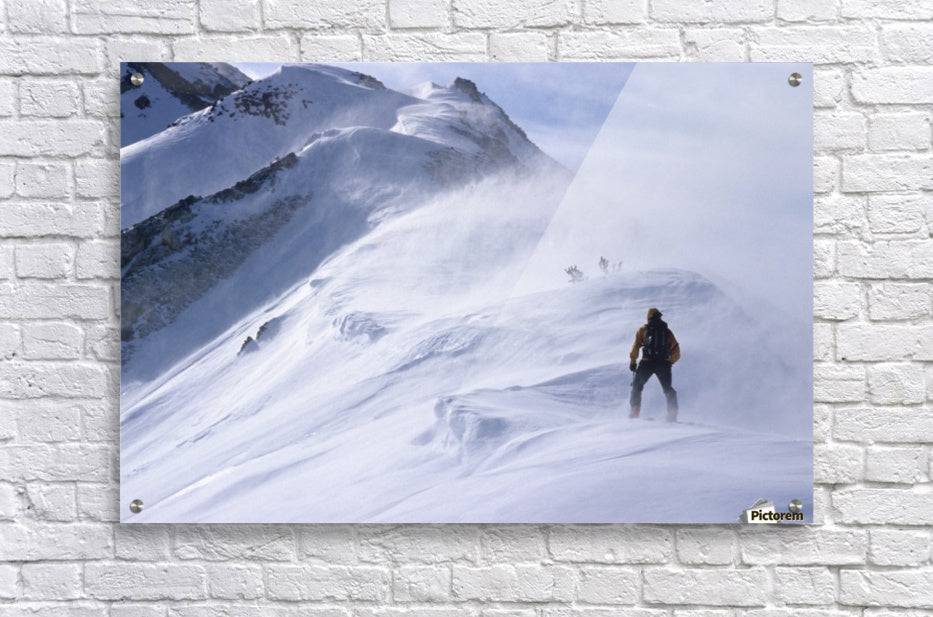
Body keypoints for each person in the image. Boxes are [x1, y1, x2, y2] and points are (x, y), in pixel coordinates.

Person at [629, 308, 680, 421]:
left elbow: (636, 345)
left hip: (647, 362)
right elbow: (676, 348)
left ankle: (635, 411)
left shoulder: (643, 330)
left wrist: (633, 361)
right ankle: (673, 412)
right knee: (667, 389)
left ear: (648, 317)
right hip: (663, 364)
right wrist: (670, 361)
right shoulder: (666, 331)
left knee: (637, 386)